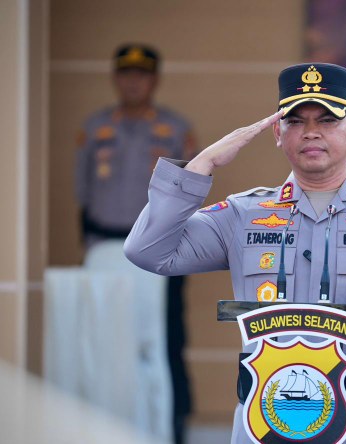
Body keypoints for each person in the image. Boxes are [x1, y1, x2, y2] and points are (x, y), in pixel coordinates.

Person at [124, 62, 346, 443]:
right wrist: (201, 166)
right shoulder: (243, 214)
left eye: (327, 120)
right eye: (296, 121)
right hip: (268, 424)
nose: (311, 132)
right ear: (278, 132)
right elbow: (147, 251)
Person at [74, 43, 194, 444]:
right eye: (126, 73)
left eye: (141, 74)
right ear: (114, 78)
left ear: (155, 81)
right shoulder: (95, 128)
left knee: (166, 339)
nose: (133, 82)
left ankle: (172, 423)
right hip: (105, 245)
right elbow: (83, 192)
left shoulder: (175, 130)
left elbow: (190, 194)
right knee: (101, 340)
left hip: (159, 253)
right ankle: (102, 424)